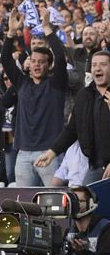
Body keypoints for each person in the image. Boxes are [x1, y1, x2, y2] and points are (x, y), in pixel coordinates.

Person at [1, 6, 68, 186]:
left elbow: (61, 57)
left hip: (50, 152)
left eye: (42, 62)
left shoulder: (56, 84)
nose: (37, 65)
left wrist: (47, 28)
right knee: (24, 204)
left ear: (49, 66)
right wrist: (11, 32)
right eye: (34, 62)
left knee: (54, 202)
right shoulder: (22, 83)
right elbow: (6, 60)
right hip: (22, 154)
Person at [35, 51, 110, 184]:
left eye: (103, 64)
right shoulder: (84, 95)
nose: (97, 68)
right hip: (95, 166)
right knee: (86, 202)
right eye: (94, 65)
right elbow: (72, 129)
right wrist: (52, 152)